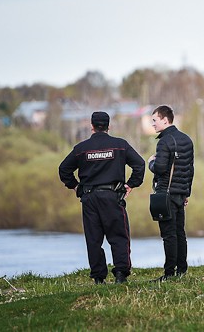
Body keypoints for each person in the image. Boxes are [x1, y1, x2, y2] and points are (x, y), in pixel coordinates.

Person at [58, 111, 145, 284]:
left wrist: (75, 187)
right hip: (113, 197)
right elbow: (140, 164)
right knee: (119, 236)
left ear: (92, 126)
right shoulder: (120, 145)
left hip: (89, 198)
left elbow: (63, 169)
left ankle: (98, 277)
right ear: (108, 126)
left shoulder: (81, 149)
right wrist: (131, 184)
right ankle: (121, 274)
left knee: (93, 238)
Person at [148, 105, 194, 280]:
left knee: (169, 234)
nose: (152, 124)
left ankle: (169, 274)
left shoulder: (164, 141)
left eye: (155, 120)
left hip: (165, 193)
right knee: (180, 233)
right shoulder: (187, 139)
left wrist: (150, 162)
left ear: (165, 120)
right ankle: (181, 270)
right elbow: (190, 169)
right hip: (180, 193)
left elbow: (159, 168)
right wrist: (186, 192)